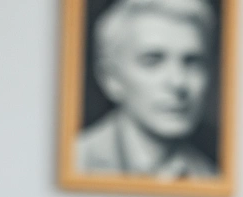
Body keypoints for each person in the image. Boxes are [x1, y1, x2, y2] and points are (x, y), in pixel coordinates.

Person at [75, 0, 218, 179]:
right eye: (152, 61)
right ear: (110, 78)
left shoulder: (211, 176)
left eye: (192, 62)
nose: (178, 82)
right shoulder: (76, 161)